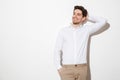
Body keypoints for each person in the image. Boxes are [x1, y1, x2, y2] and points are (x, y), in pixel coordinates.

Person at [54, 5, 107, 80]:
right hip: (66, 70)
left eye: (78, 14)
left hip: (82, 69)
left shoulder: (86, 30)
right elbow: (57, 50)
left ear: (83, 18)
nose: (75, 16)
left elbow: (103, 21)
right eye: (74, 13)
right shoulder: (63, 31)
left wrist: (88, 17)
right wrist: (59, 68)